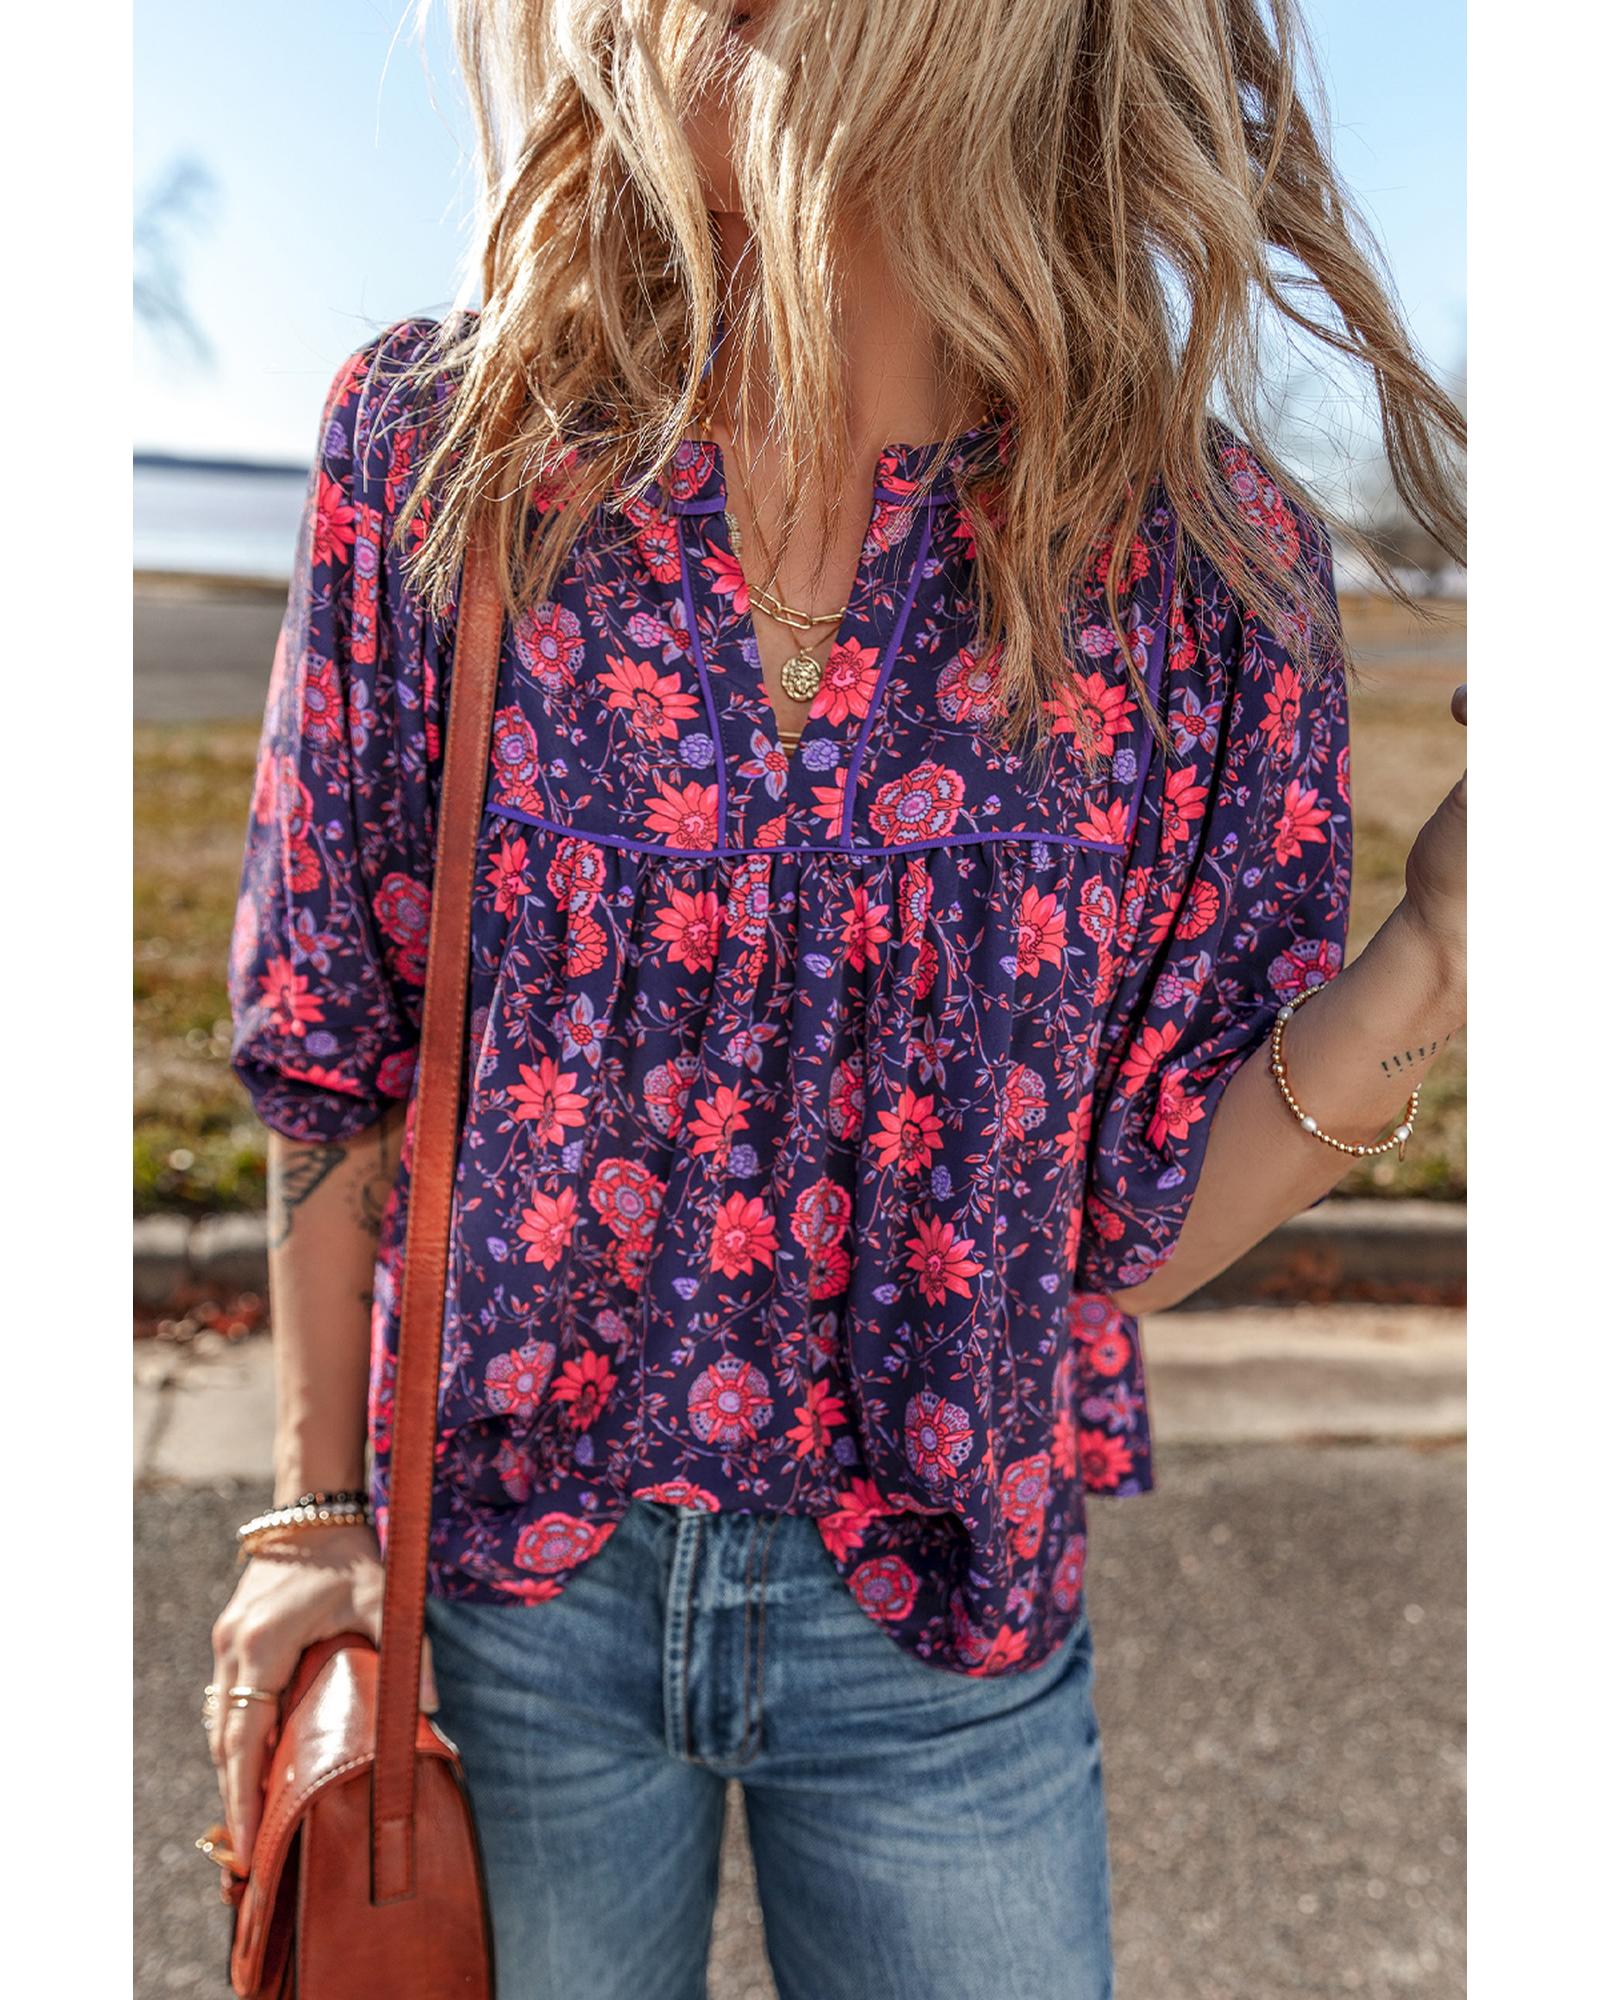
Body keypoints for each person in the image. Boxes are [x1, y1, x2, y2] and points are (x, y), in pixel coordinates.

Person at [209, 3, 1466, 1994]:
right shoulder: (450, 453)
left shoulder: (1194, 570)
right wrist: (308, 1511)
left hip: (943, 1642)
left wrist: (1443, 949)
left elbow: (1128, 1235)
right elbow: (333, 1042)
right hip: (506, 1607)